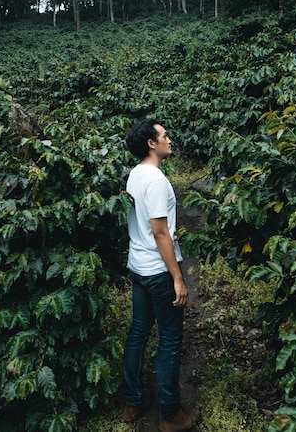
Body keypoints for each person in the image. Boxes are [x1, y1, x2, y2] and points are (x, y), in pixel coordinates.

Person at [122, 118, 196, 432]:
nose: (169, 139)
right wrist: (177, 277)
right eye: (164, 135)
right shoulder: (155, 179)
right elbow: (160, 232)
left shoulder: (135, 174)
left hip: (138, 266)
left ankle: (134, 400)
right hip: (157, 271)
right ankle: (169, 415)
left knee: (138, 332)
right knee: (169, 340)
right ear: (151, 143)